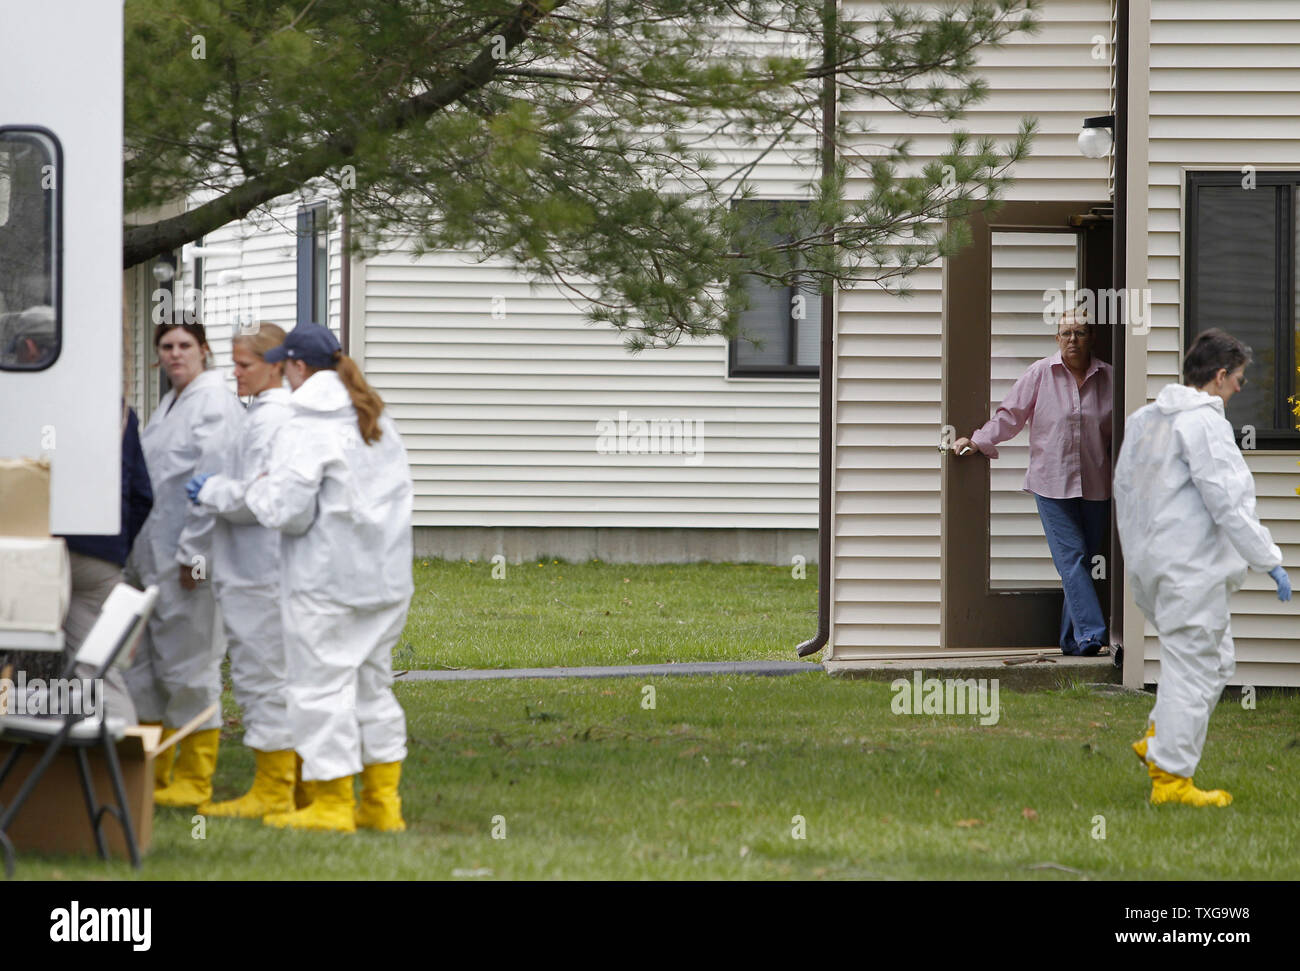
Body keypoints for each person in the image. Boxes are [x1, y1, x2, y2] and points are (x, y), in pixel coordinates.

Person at [196, 322, 413, 833]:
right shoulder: (376, 417)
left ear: (296, 366)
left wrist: (243, 491)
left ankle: (333, 803)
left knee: (320, 690)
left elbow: (286, 512)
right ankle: (383, 805)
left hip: (325, 584)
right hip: (384, 581)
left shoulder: (305, 421)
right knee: (373, 690)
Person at [1114, 328, 1288, 807]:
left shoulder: (1148, 418)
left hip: (1157, 565)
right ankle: (1171, 781)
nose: (1241, 387)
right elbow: (1228, 502)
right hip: (1189, 568)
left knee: (1214, 661)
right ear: (1219, 376)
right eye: (1239, 378)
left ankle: (1157, 738)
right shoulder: (1205, 424)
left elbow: (1125, 489)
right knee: (1195, 666)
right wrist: (1269, 558)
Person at [125, 321, 243, 806]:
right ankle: (152, 776)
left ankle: (195, 778)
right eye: (167, 347)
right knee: (146, 673)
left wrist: (195, 560)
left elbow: (209, 486)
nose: (175, 355)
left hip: (189, 564)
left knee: (191, 666)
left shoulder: (213, 403)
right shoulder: (172, 404)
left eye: (184, 346)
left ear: (204, 351)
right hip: (152, 560)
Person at [181, 323, 296, 818]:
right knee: (262, 675)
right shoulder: (265, 416)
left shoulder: (273, 420)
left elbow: (258, 497)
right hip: (253, 568)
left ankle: (275, 789)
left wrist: (211, 492)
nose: (237, 374)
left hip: (260, 571)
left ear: (275, 365)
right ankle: (287, 783)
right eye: (234, 363)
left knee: (262, 677)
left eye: (245, 365)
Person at [953, 309, 1113, 655]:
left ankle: (1072, 641)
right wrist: (977, 440)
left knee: (1082, 561)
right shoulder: (1041, 373)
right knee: (1071, 558)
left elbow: (1126, 431)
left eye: (1080, 333)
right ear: (1057, 339)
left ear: (1092, 339)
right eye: (1066, 333)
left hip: (1097, 486)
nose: (1073, 339)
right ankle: (1093, 634)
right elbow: (1010, 417)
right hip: (1051, 485)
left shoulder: (1110, 378)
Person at [57, 398, 155, 723]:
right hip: (100, 557)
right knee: (98, 673)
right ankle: (123, 767)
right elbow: (143, 495)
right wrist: (115, 549)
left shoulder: (44, 403)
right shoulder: (120, 411)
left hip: (40, 552)